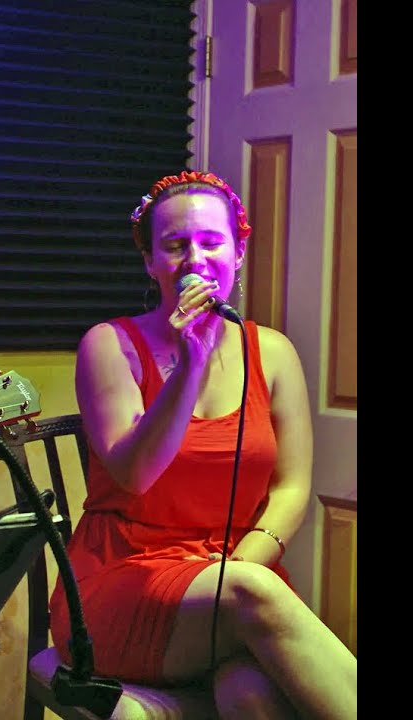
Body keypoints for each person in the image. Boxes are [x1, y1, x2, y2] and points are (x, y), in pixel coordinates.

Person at [50, 171, 357, 718]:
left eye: (212, 242)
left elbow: (291, 487)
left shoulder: (274, 353)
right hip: (124, 580)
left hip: (234, 579)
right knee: (250, 596)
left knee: (250, 695)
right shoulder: (108, 345)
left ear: (238, 253)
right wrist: (188, 366)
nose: (195, 259)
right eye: (175, 245)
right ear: (150, 262)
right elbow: (135, 473)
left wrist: (241, 565)